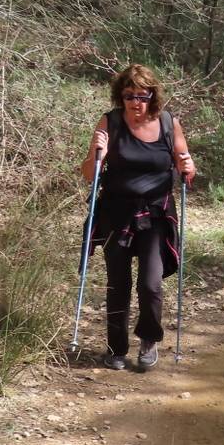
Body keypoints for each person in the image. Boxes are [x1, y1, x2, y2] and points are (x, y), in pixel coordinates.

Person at [81, 64, 196, 371]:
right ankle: (116, 349)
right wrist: (97, 151)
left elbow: (186, 166)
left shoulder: (170, 124)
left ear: (152, 96)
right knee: (117, 283)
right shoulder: (111, 122)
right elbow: (88, 174)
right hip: (117, 213)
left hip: (156, 214)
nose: (136, 102)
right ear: (121, 96)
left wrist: (187, 168)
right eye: (129, 95)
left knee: (150, 283)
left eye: (142, 96)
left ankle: (148, 339)